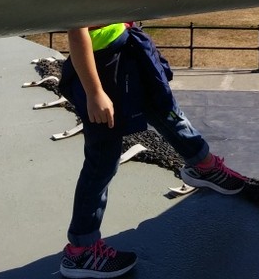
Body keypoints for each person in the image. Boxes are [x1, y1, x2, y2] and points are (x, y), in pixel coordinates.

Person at [57, 21, 245, 278]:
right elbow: (77, 30)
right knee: (102, 159)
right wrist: (94, 92)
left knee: (166, 111)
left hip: (127, 50)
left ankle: (202, 165)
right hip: (103, 67)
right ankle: (81, 249)